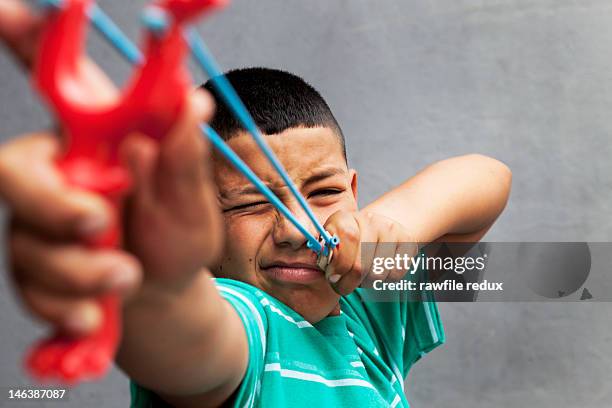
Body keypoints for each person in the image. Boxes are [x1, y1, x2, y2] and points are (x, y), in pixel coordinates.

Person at [0, 1, 512, 406]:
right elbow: (185, 338)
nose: (297, 229)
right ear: (200, 226)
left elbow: (488, 178)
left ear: (354, 192)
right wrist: (153, 280)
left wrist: (397, 221)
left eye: (325, 192)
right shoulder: (246, 321)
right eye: (250, 203)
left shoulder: (365, 297)